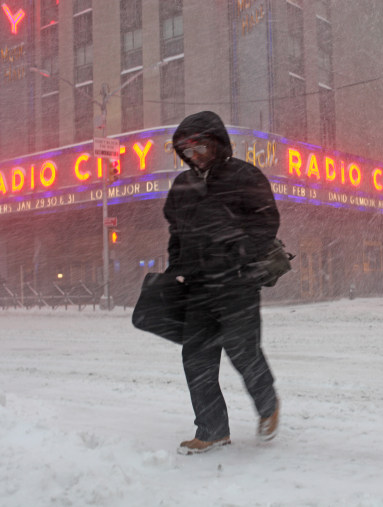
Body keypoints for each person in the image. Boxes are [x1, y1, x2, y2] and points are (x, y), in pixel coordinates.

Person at [164, 111, 280, 455]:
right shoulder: (183, 185)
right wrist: (175, 268)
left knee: (243, 350)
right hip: (198, 286)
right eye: (186, 148)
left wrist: (238, 252)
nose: (194, 153)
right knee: (196, 358)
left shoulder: (244, 174)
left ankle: (268, 404)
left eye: (199, 145)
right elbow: (176, 233)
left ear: (215, 141)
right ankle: (212, 429)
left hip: (238, 282)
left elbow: (266, 223)